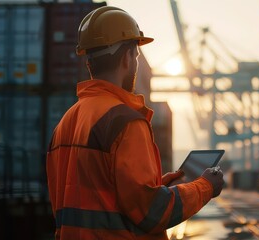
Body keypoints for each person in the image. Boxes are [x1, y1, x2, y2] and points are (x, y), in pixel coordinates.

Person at [46, 6, 224, 240]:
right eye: (137, 55)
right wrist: (205, 187)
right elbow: (151, 213)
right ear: (128, 57)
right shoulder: (125, 121)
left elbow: (98, 196)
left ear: (89, 60)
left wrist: (159, 185)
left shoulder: (65, 124)